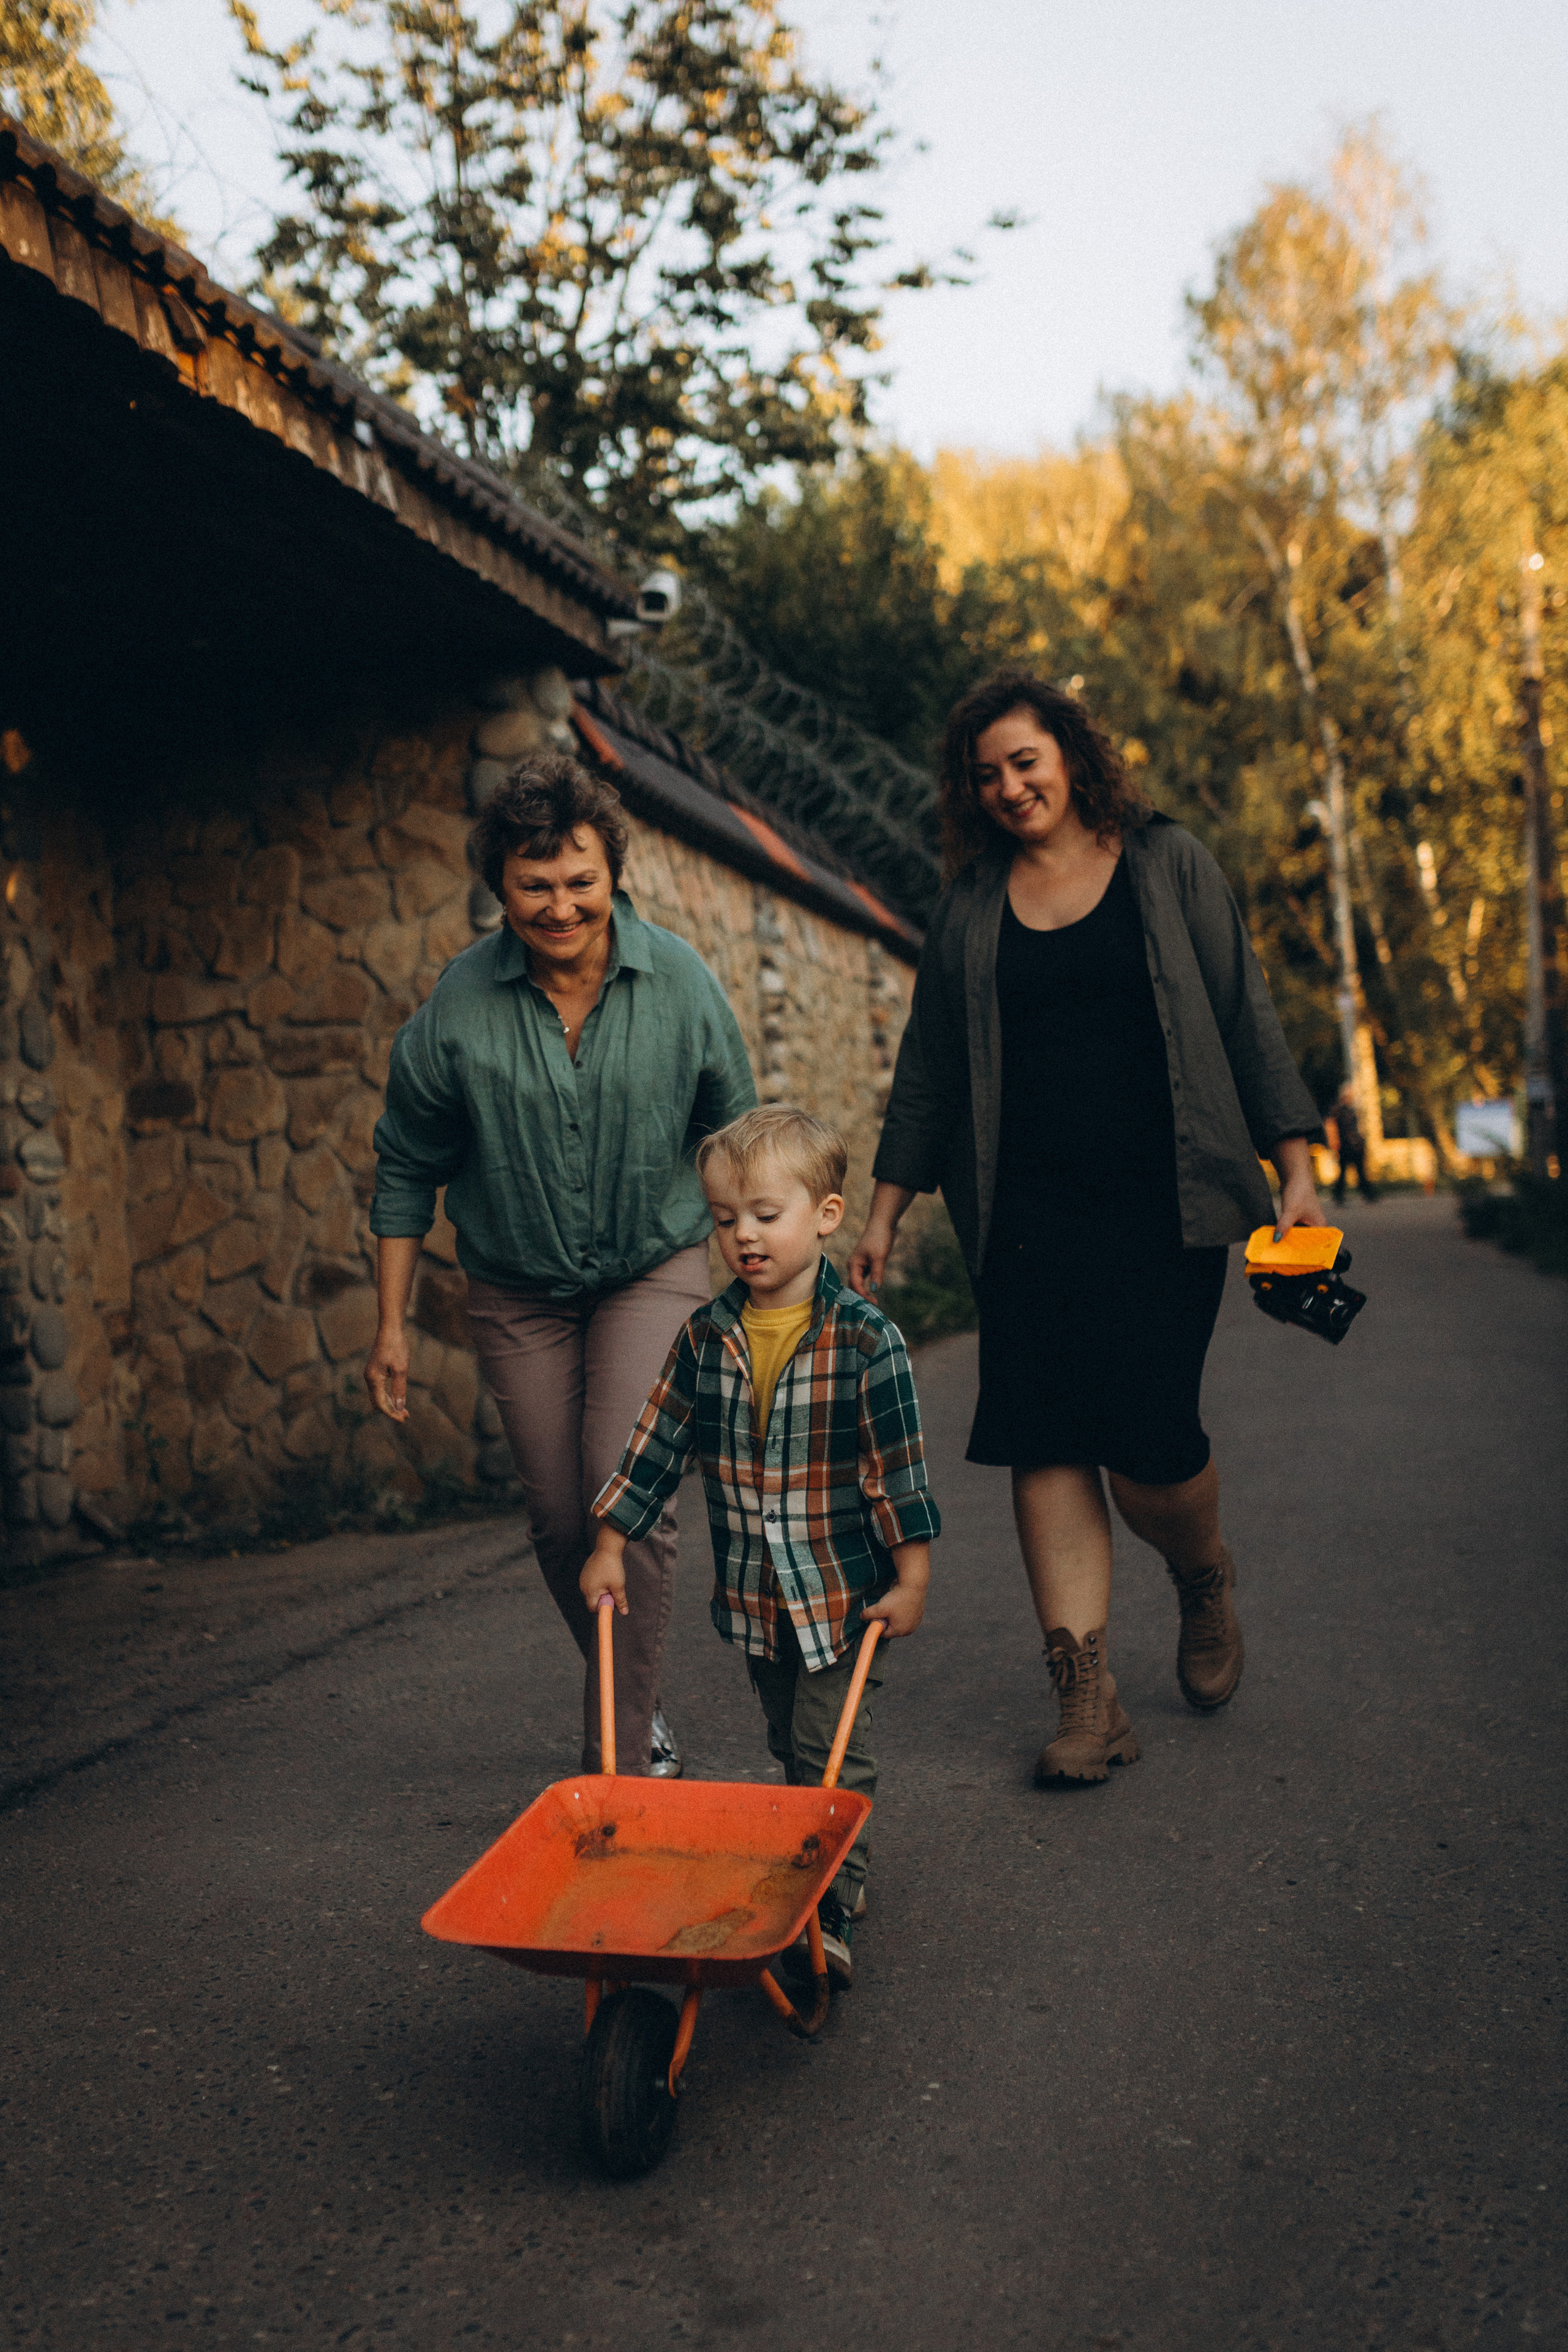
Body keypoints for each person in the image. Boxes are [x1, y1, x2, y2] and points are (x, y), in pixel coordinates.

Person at [848, 668, 1325, 1789]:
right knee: (1047, 1436)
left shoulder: (1166, 863)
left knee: (1151, 1444)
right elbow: (925, 1072)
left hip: (1167, 1202)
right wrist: (883, 1214)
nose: (1012, 788)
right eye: (989, 775)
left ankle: (1201, 1575)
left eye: (1028, 761)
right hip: (1023, 1214)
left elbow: (1243, 1013)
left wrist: (1294, 1167)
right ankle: (1087, 1693)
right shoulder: (970, 906)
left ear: (1070, 753)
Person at [365, 756, 756, 1778]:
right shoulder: (460, 1006)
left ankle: (622, 1759)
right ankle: (645, 1708)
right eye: (535, 885)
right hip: (517, 1290)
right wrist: (393, 1324)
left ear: (612, 875)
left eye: (580, 880)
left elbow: (741, 1131)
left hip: (651, 1267)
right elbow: (407, 1164)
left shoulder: (678, 982)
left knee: (625, 1497)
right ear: (502, 885)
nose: (560, 905)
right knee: (555, 1517)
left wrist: (763, 1276)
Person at [581, 1106, 940, 1989]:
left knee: (827, 1758)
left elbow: (897, 1471)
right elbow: (654, 1446)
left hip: (841, 1598)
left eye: (765, 1216)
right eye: (726, 1219)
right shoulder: (705, 1339)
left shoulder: (866, 1340)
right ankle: (820, 1860)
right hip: (756, 1600)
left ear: (824, 1216)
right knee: (789, 1745)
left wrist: (914, 1575)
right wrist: (609, 1543)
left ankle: (831, 1906)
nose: (743, 1236)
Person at [1330, 1084, 1377, 1204]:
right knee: (1343, 1173)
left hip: (1356, 1145)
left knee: (1361, 1171)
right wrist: (1334, 1142)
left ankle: (1369, 1194)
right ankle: (1338, 1196)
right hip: (1345, 1146)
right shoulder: (1337, 1110)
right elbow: (1331, 1125)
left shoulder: (1352, 1110)